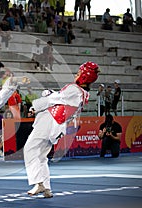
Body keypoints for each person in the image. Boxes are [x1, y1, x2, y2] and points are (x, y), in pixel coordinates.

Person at [23, 61, 100, 198]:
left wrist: (35, 107)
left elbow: (54, 99)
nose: (76, 75)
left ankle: (39, 182)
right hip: (57, 126)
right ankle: (46, 188)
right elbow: (60, 98)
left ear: (84, 77)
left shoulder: (74, 89)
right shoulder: (82, 94)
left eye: (78, 73)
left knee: (29, 149)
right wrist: (50, 94)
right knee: (41, 157)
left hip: (49, 122)